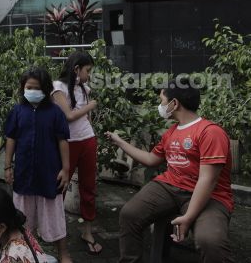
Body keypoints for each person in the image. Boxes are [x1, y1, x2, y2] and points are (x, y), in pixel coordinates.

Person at [106, 78, 233, 263]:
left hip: (211, 196)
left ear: (174, 103)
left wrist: (188, 218)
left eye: (162, 100)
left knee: (210, 241)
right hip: (170, 186)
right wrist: (119, 142)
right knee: (130, 214)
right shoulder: (171, 133)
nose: (160, 105)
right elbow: (151, 160)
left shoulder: (210, 132)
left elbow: (208, 180)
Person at [4, 68, 72, 263]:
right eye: (29, 87)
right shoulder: (18, 111)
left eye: (38, 88)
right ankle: (23, 252)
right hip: (23, 173)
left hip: (49, 174)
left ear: (46, 89)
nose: (33, 91)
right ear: (23, 88)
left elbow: (63, 141)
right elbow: (11, 138)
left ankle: (63, 253)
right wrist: (8, 167)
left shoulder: (55, 112)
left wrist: (65, 169)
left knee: (54, 215)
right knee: (21, 217)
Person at [51, 51, 101, 254]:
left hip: (87, 140)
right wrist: (91, 105)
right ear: (76, 69)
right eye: (87, 70)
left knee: (88, 187)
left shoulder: (84, 87)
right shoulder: (58, 87)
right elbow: (69, 116)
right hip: (68, 143)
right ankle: (54, 229)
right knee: (59, 187)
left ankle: (87, 231)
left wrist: (91, 131)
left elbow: (85, 119)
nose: (89, 75)